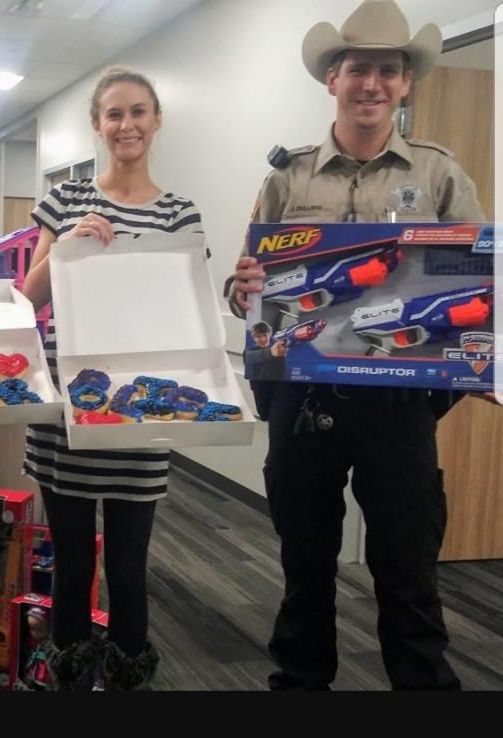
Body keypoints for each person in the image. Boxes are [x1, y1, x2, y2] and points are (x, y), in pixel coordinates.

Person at [227, 0, 485, 690]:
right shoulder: (289, 177)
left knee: (407, 570)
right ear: (331, 79)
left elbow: (479, 284)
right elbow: (248, 294)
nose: (371, 83)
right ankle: (301, 684)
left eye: (387, 71)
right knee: (304, 562)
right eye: (358, 69)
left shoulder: (438, 175)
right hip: (303, 397)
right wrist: (245, 284)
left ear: (404, 84)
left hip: (400, 406)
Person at [22, 67, 204, 691]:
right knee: (72, 564)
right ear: (97, 126)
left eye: (138, 112)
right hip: (67, 405)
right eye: (113, 115)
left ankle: (128, 678)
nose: (126, 125)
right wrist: (68, 243)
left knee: (128, 565)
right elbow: (29, 297)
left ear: (156, 120)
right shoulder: (65, 201)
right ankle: (69, 674)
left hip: (139, 409)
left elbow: (187, 308)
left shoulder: (181, 213)